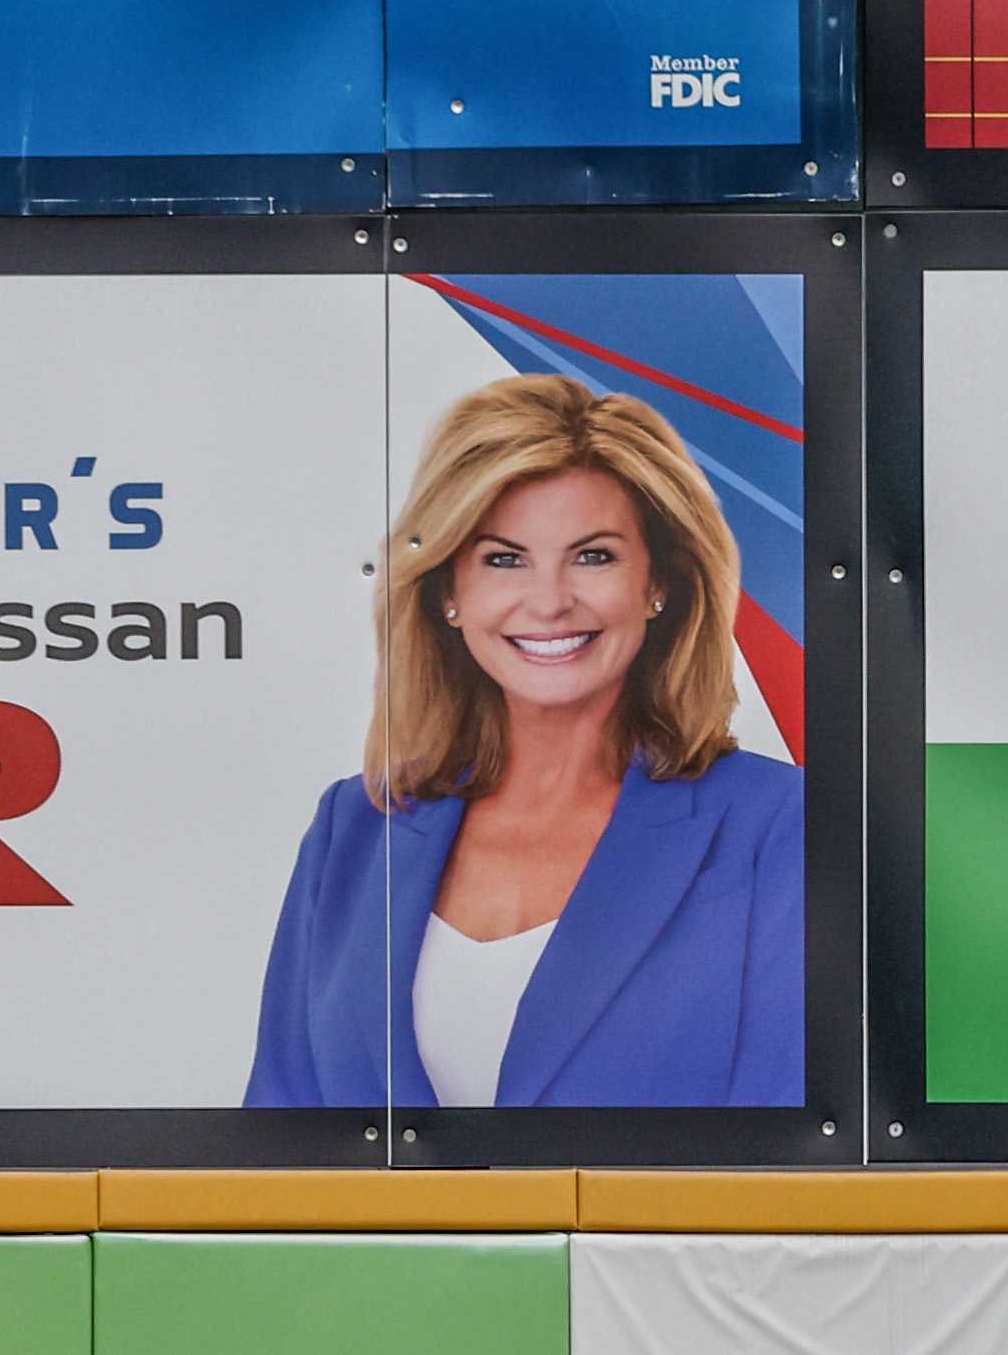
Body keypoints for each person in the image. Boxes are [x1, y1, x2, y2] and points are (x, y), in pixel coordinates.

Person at [247, 372, 803, 1109]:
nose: (547, 601)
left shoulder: (775, 825)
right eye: (503, 558)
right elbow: (280, 1149)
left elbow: (785, 1166)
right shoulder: (354, 828)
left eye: (593, 555)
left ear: (658, 584)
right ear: (448, 589)